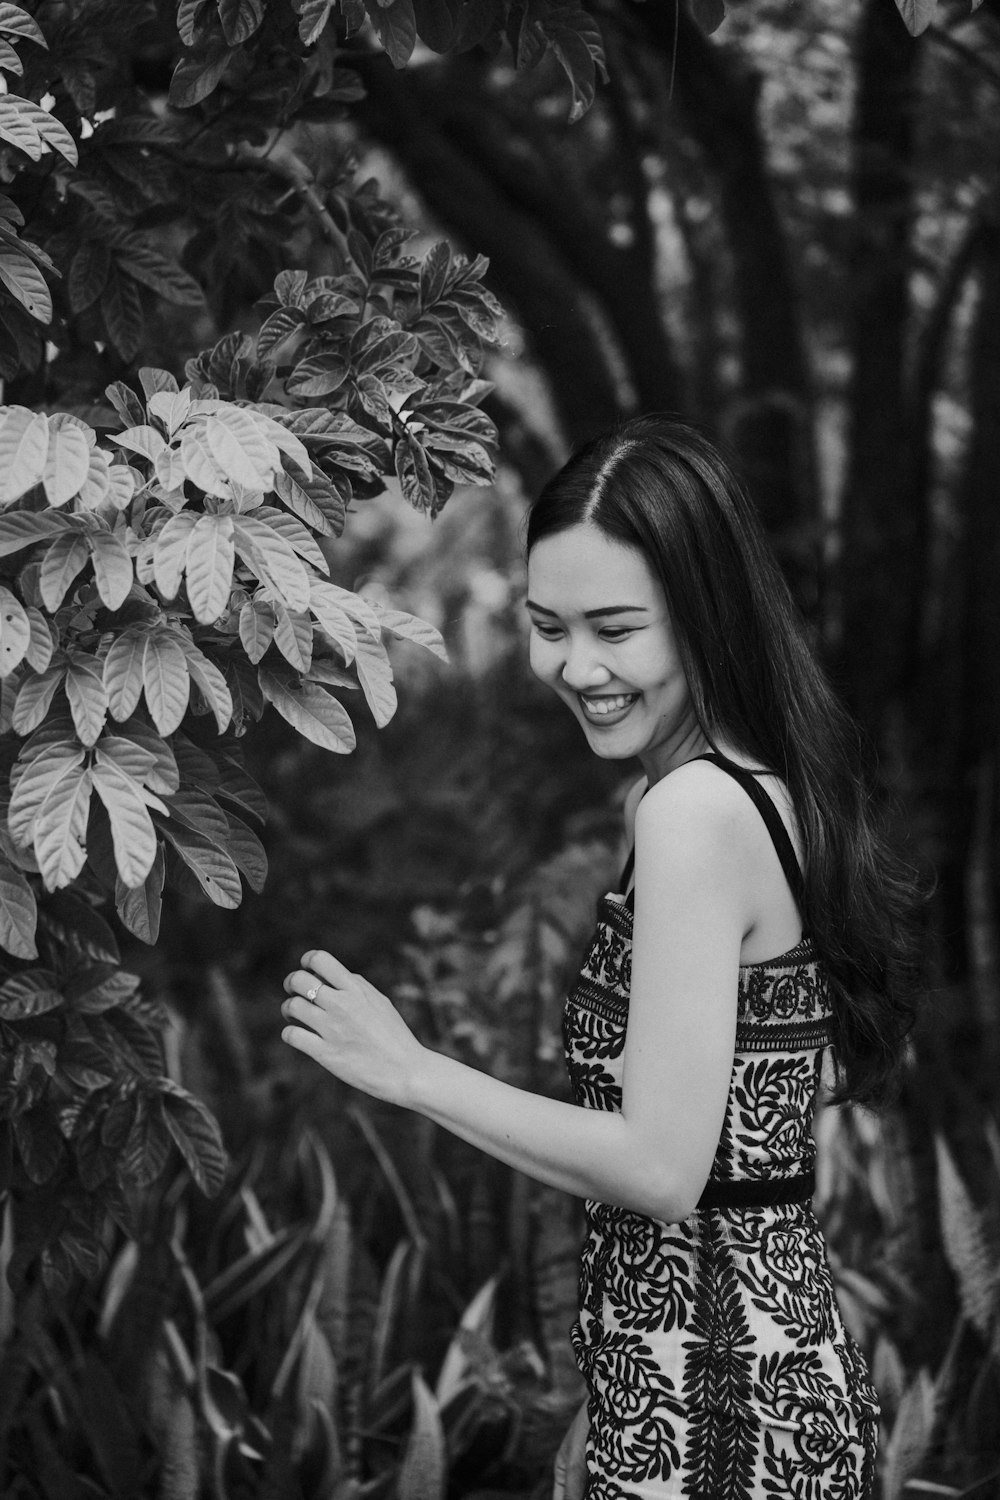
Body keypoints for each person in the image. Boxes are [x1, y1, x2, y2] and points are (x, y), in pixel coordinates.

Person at [281, 415, 920, 1499]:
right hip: (721, 1376)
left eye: (615, 628)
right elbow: (746, 1130)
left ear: (704, 619)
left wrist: (411, 1071)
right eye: (545, 625)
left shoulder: (691, 813)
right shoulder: (753, 790)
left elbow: (663, 1172)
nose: (574, 666)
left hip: (722, 1415)